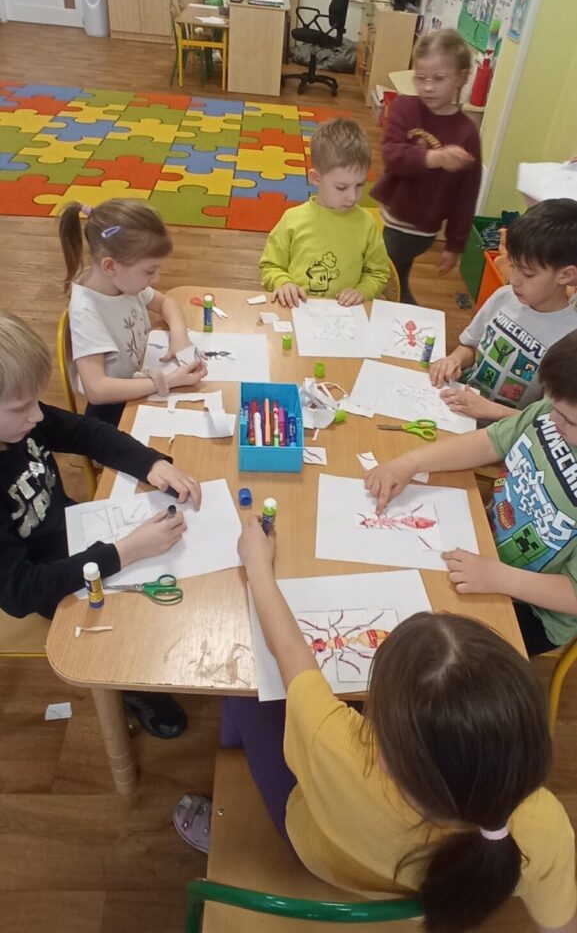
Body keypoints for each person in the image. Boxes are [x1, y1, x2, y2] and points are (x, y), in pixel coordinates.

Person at [177, 517, 577, 933]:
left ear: (385, 757)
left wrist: (258, 567)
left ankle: (229, 809)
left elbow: (287, 650)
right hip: (412, 905)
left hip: (315, 852)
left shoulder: (334, 741)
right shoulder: (543, 828)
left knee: (244, 686)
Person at [0, 310, 200, 738]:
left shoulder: (21, 424)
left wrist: (150, 463)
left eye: (36, 401)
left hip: (78, 535)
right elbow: (19, 591)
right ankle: (127, 684)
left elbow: (85, 433)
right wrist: (124, 552)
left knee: (175, 584)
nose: (38, 416)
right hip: (49, 582)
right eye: (22, 407)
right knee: (131, 622)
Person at [366, 331, 577, 657]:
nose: (551, 419)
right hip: (483, 542)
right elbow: (490, 442)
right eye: (552, 406)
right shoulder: (551, 413)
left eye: (567, 419)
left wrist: (498, 578)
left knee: (429, 651)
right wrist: (410, 463)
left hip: (532, 608)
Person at [60, 199, 206, 427]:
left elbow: (167, 303)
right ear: (110, 266)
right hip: (113, 412)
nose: (155, 279)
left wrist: (179, 337)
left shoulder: (120, 283)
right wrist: (168, 381)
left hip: (141, 387)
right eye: (149, 271)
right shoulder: (86, 311)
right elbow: (97, 390)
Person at [429, 199, 577, 422]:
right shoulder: (504, 296)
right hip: (461, 408)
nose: (514, 279)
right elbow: (470, 346)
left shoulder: (570, 338)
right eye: (513, 266)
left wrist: (489, 410)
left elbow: (550, 419)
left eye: (528, 274)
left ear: (566, 275)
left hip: (504, 429)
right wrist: (454, 359)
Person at [371, 28, 482, 305]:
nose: (428, 87)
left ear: (461, 77)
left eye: (439, 78)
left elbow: (466, 195)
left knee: (383, 280)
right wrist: (436, 158)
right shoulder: (405, 107)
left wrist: (455, 245)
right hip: (391, 215)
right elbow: (391, 156)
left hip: (419, 229)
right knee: (393, 276)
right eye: (421, 78)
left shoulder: (467, 132)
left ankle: (405, 318)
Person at [259, 118, 391, 308]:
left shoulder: (367, 223)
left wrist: (362, 291)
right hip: (297, 309)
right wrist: (283, 283)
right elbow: (270, 266)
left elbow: (378, 273)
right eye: (341, 187)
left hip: (346, 315)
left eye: (360, 185)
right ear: (316, 178)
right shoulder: (292, 219)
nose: (353, 197)